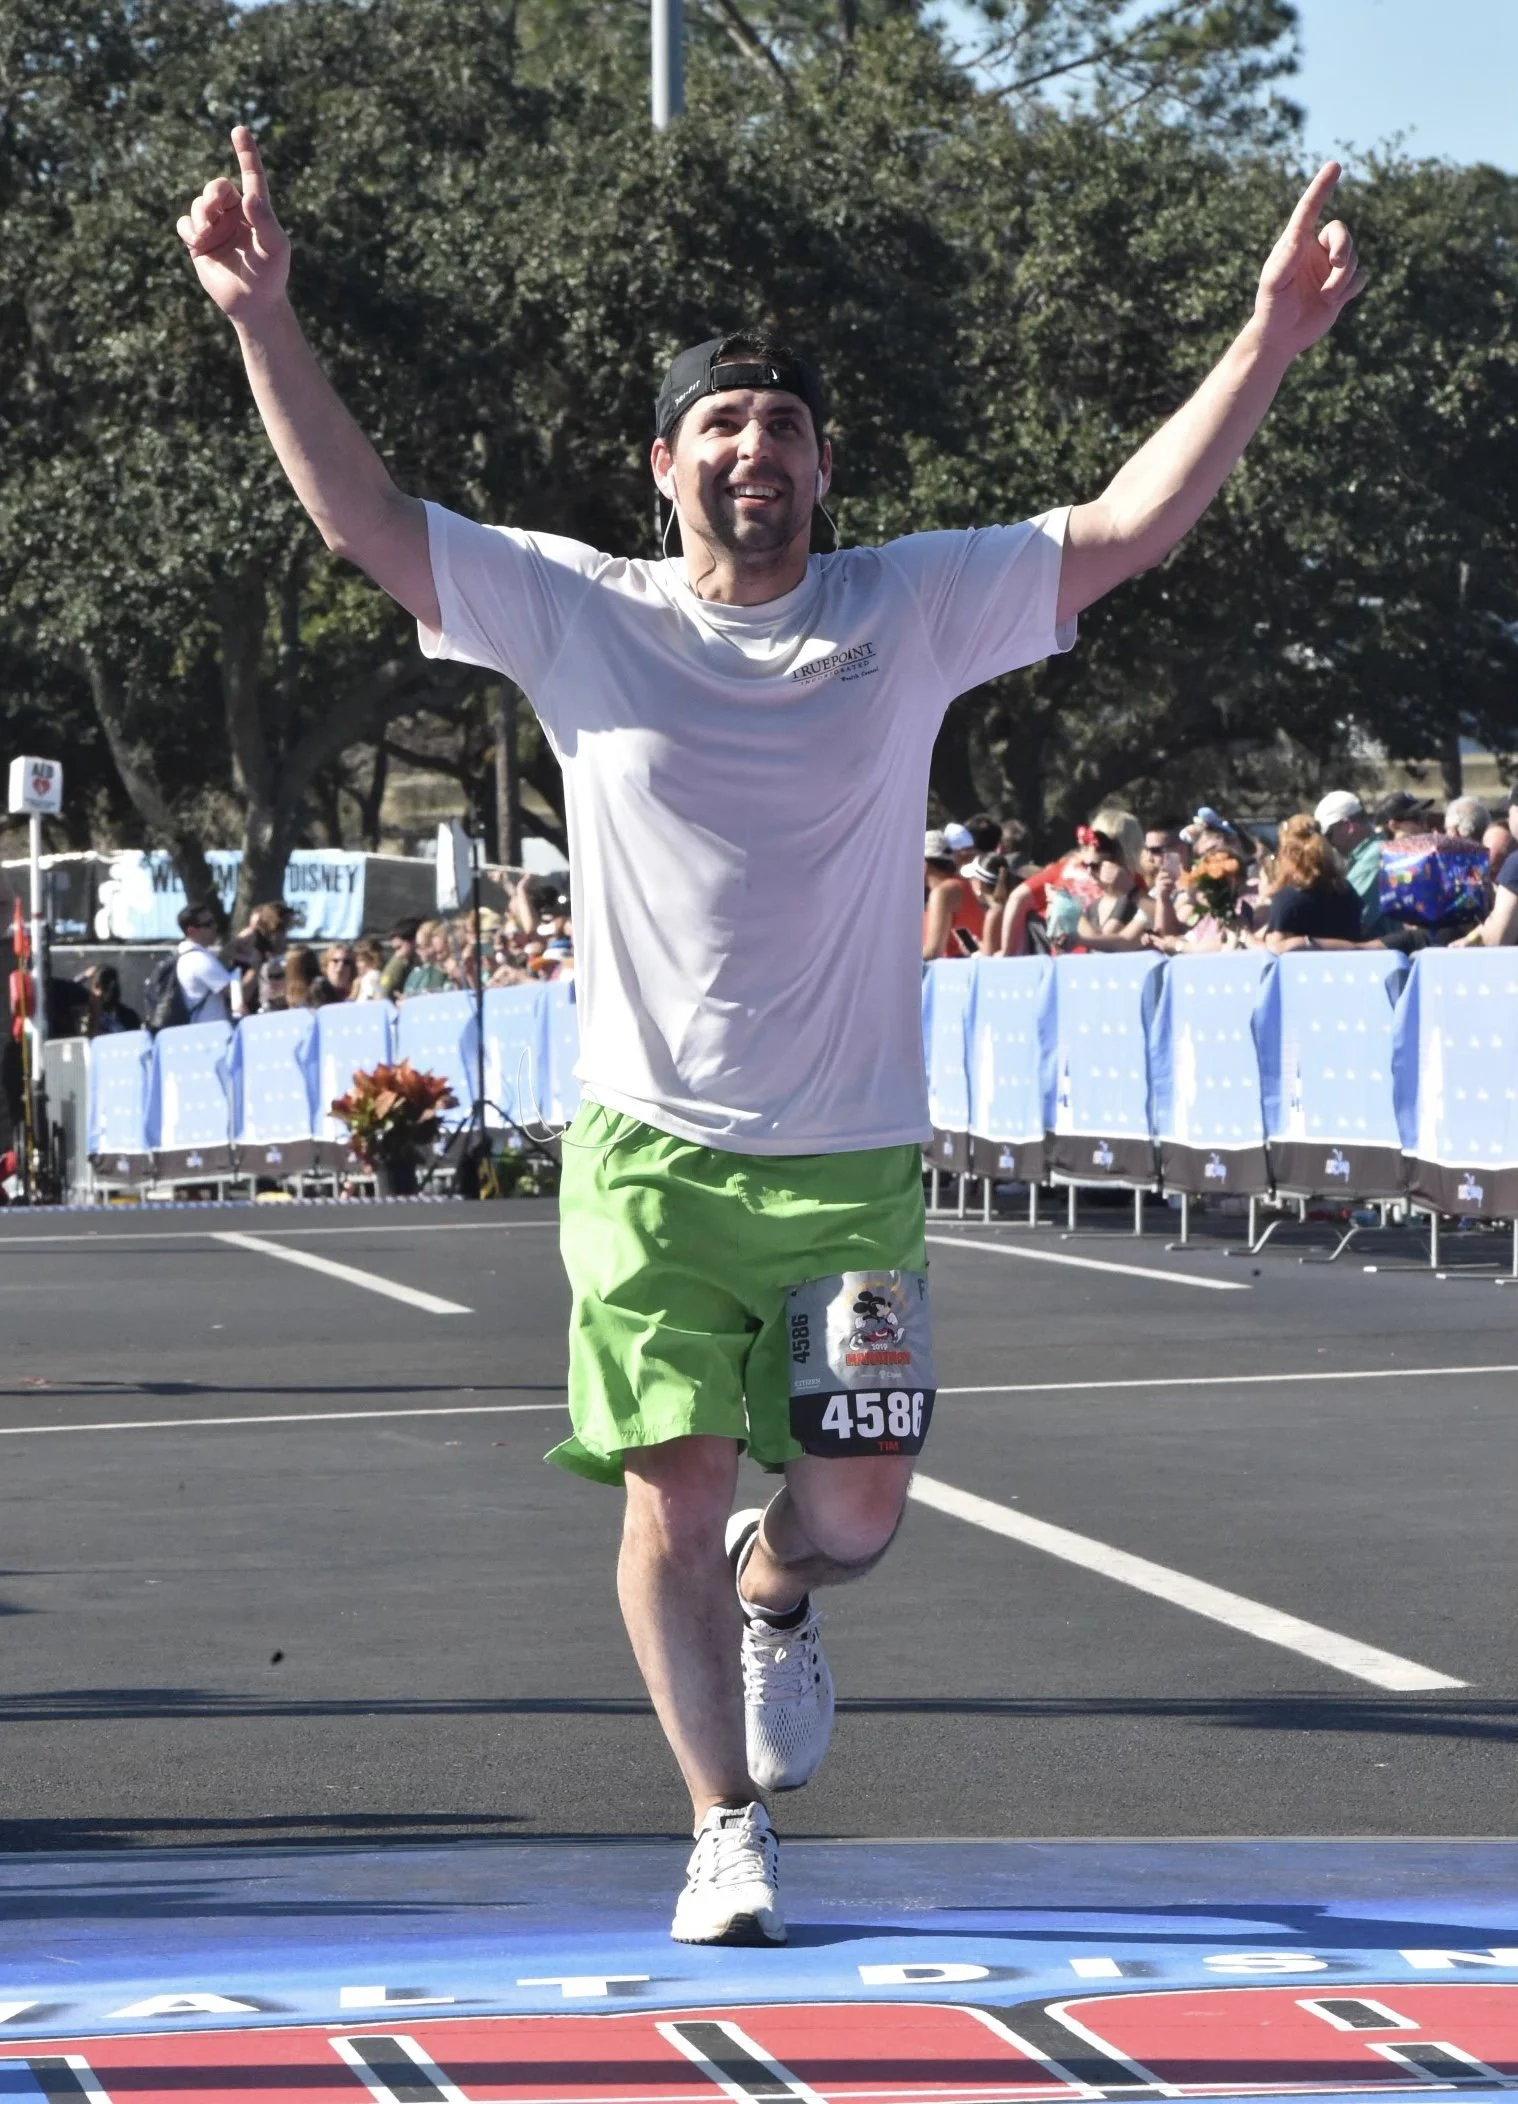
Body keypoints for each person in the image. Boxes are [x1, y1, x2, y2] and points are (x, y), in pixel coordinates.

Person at [179, 125, 1364, 1945]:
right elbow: (369, 523)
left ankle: (780, 1592)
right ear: (662, 470)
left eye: (785, 423)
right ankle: (720, 1818)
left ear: (822, 468)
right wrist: (263, 317)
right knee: (672, 1472)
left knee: (859, 1502)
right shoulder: (580, 613)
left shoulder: (905, 608)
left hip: (847, 1163)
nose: (756, 445)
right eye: (718, 424)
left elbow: (1130, 526)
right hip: (647, 1155)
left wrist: (1266, 342)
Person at [1258, 818, 1367, 950]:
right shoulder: (1346, 890)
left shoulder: (1288, 899)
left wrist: (1245, 935)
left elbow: (1273, 952)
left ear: (1287, 855)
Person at [1313, 791, 1384, 936]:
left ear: (1347, 826)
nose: (1328, 844)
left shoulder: (1374, 857)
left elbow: (1343, 914)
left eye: (1328, 835)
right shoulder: (1368, 855)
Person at [173, 903, 235, 1023]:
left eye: (214, 922)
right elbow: (236, 995)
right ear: (191, 931)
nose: (215, 927)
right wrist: (255, 968)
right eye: (208, 924)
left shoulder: (185, 957)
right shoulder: (199, 960)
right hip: (209, 1033)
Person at [923, 829, 980, 957]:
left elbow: (933, 952)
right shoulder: (957, 886)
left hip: (959, 974)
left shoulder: (944, 892)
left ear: (923, 866)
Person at [82, 964, 141, 1037]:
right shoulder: (83, 1015)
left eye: (105, 987)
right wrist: (82, 976)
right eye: (97, 986)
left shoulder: (129, 1017)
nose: (100, 993)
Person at [379, 917, 421, 999]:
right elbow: (381, 992)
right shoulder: (404, 964)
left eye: (399, 947)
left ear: (414, 941)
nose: (397, 954)